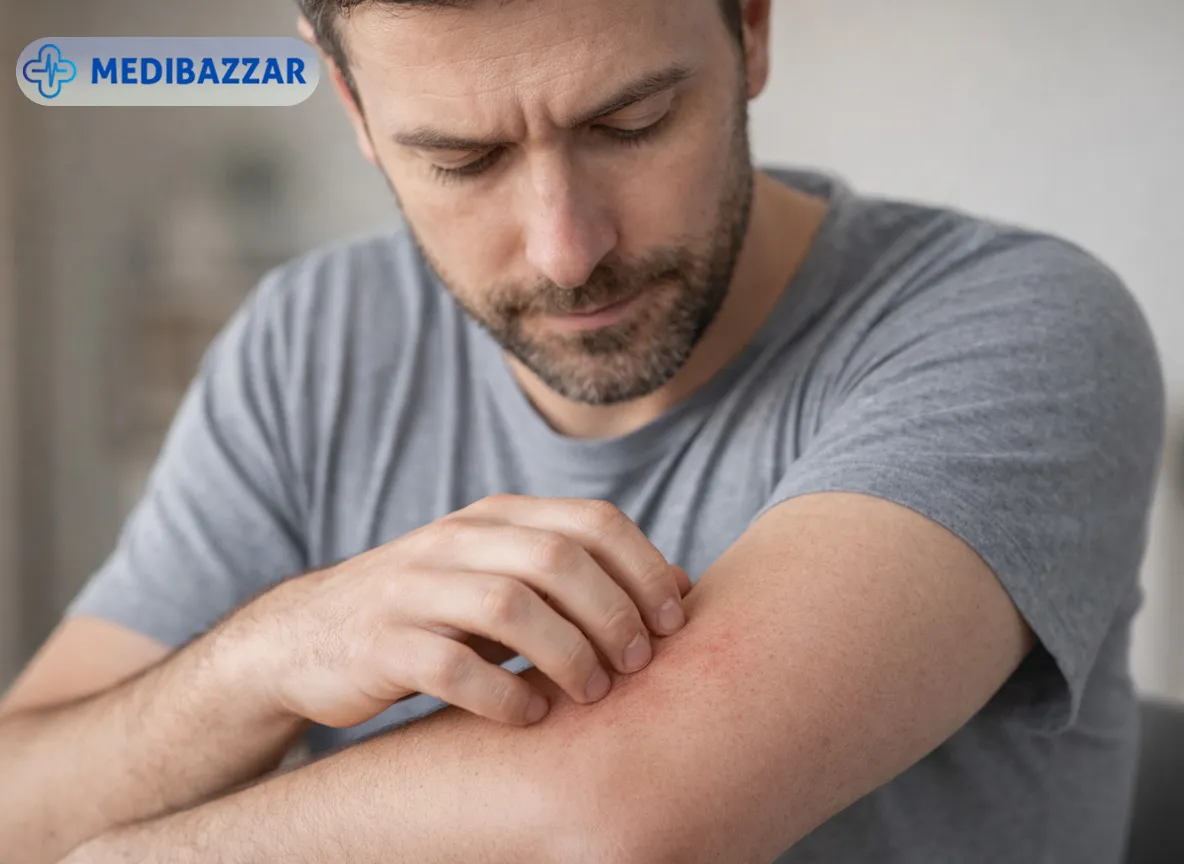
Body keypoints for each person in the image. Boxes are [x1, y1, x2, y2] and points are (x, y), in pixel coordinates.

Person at [0, 1, 1165, 862]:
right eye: (462, 159)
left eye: (629, 122)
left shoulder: (1016, 324)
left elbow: (620, 820)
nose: (565, 250)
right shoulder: (310, 340)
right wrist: (259, 660)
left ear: (751, 28)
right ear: (354, 109)